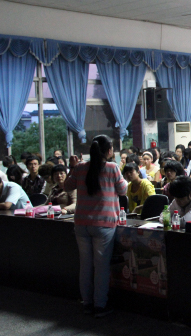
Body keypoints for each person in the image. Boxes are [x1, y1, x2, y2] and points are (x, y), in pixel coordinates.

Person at [65, 135, 127, 317]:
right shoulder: (112, 167)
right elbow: (123, 190)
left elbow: (67, 186)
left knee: (85, 266)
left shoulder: (80, 168)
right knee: (101, 267)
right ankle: (100, 306)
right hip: (104, 224)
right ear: (108, 150)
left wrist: (72, 167)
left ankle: (87, 303)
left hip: (81, 223)